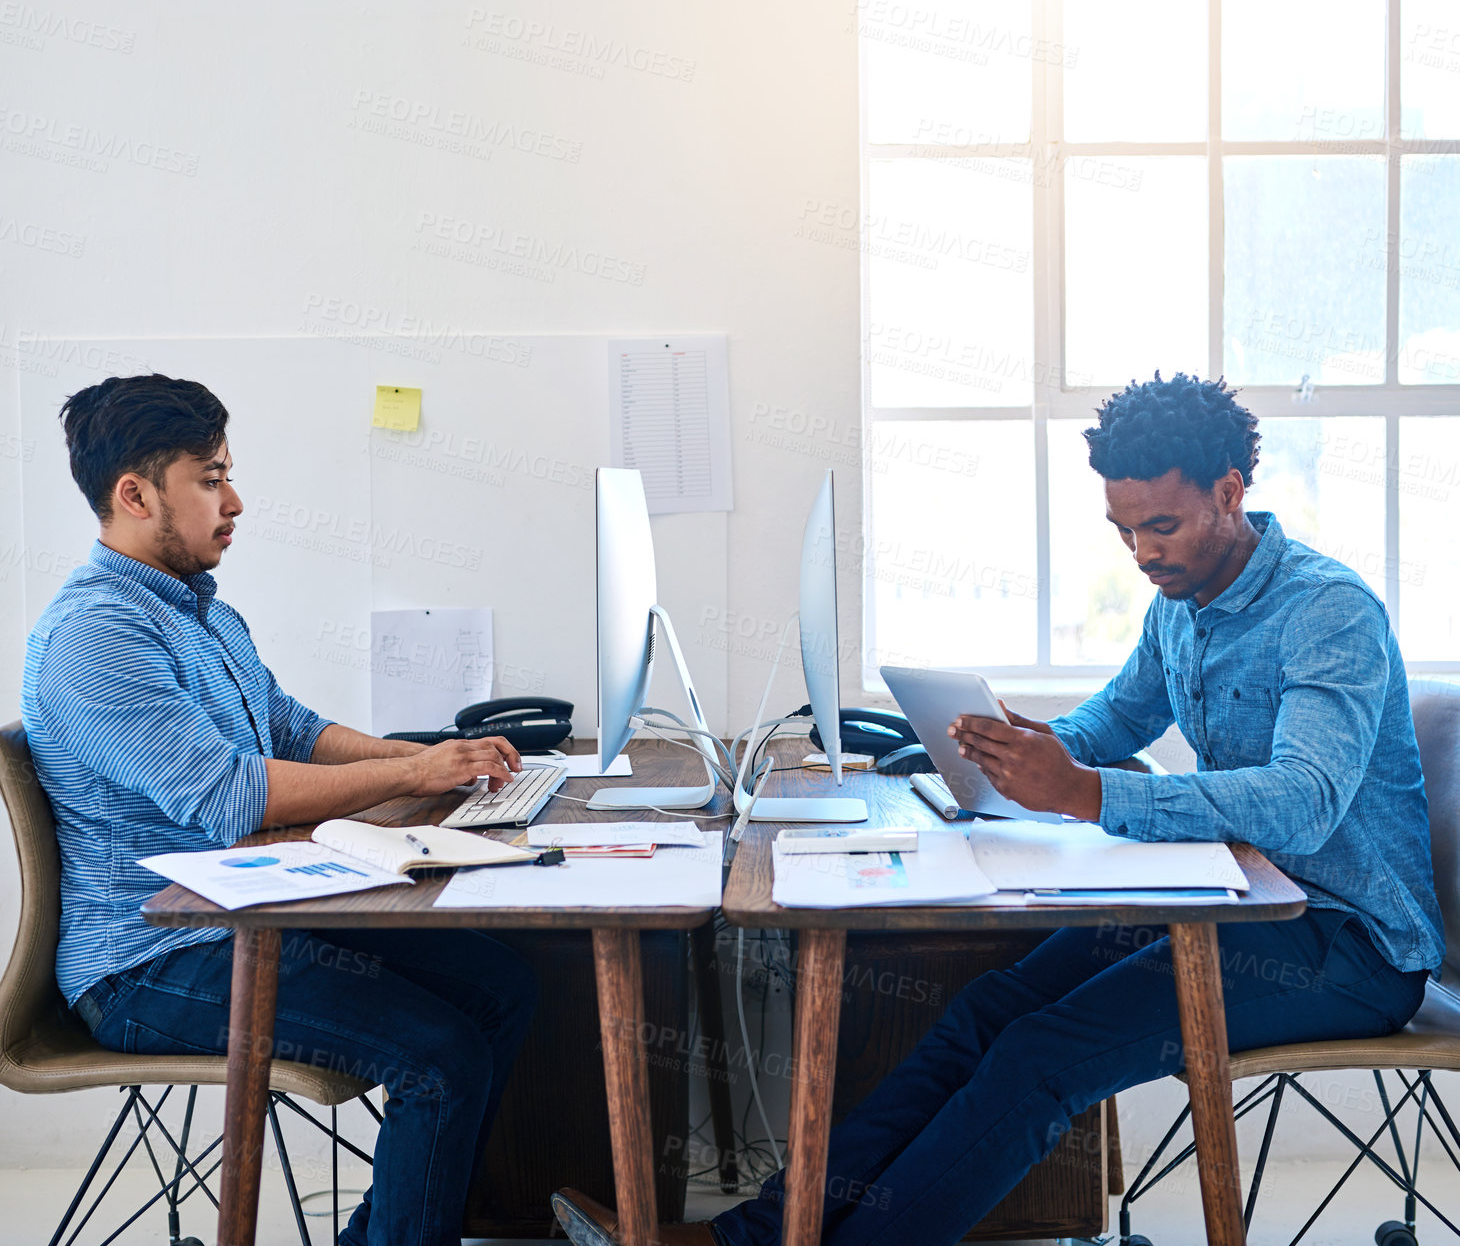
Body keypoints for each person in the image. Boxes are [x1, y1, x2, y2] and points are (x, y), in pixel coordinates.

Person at [551, 372, 1444, 1246]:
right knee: (986, 1009)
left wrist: (1084, 792)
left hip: (1346, 943)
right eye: (1123, 530)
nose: (1142, 553)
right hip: (1234, 904)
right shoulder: (1182, 601)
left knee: (1040, 1057)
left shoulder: (1326, 612)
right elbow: (1116, 719)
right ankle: (744, 1239)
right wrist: (1027, 747)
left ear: (1229, 491)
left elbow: (1306, 804)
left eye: (1161, 526)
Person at [23, 373, 537, 1246]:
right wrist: (416, 769)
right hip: (151, 964)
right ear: (135, 494)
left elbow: (294, 731)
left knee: (506, 986)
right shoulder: (95, 635)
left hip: (250, 914)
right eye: (211, 478)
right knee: (440, 1058)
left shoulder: (202, 616)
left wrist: (433, 764)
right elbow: (230, 796)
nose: (236, 501)